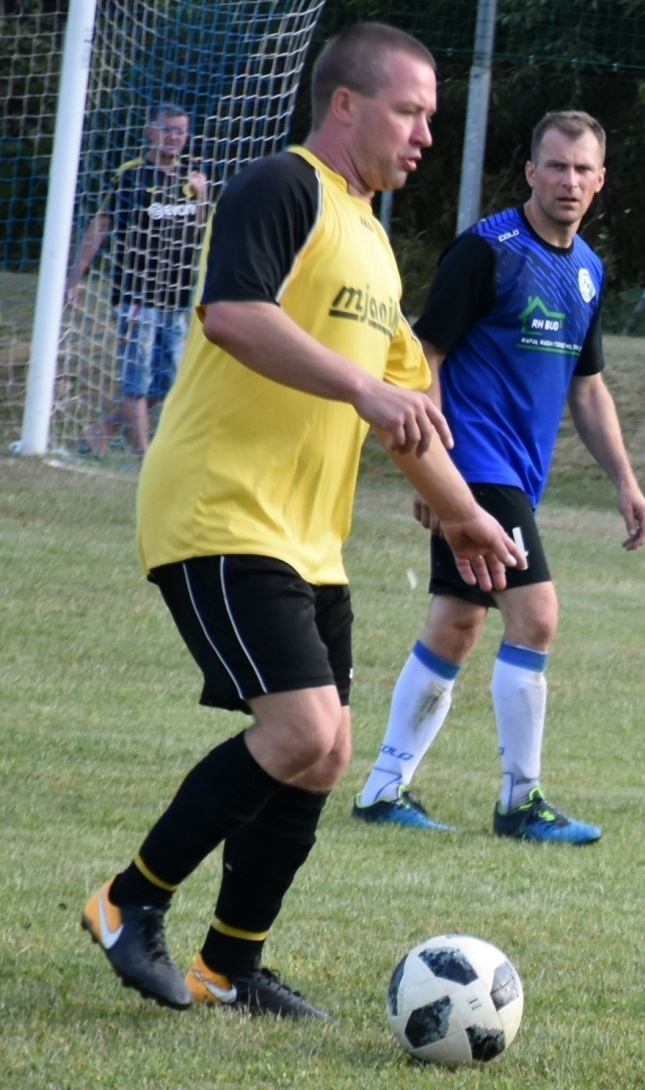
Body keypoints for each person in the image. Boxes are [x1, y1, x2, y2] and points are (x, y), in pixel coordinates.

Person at [79, 22, 524, 1020]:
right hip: (219, 507)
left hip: (306, 536)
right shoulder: (281, 187)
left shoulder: (373, 240)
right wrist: (366, 390)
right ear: (345, 105)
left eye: (430, 118)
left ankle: (227, 965)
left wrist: (462, 521)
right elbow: (234, 315)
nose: (422, 136)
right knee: (298, 728)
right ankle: (128, 901)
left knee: (325, 754)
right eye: (409, 112)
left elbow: (411, 418)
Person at [351, 109, 645, 844]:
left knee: (457, 623)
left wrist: (625, 480)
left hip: (516, 472)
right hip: (475, 463)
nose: (569, 182)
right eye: (556, 166)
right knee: (537, 615)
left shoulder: (587, 270)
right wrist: (434, 473)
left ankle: (383, 789)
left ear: (601, 180)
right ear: (530, 171)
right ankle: (522, 802)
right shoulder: (487, 251)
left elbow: (588, 387)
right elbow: (426, 358)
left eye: (583, 170)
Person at [68, 103, 209, 460]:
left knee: (167, 382)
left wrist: (203, 196)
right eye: (167, 129)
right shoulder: (131, 175)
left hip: (174, 297)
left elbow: (196, 233)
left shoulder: (190, 178)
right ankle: (145, 456)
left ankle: (100, 431)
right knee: (137, 378)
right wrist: (74, 277)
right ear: (151, 131)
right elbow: (102, 224)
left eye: (180, 131)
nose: (174, 137)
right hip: (136, 294)